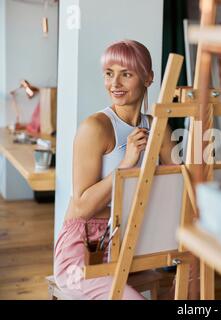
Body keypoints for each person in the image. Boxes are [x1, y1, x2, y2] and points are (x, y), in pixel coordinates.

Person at [53, 40, 175, 299]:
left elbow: (178, 185)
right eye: (109, 74)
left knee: (192, 276)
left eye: (126, 74)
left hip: (130, 243)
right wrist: (125, 164)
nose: (114, 84)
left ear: (148, 78)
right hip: (84, 250)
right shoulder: (95, 128)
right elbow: (83, 206)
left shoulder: (159, 128)